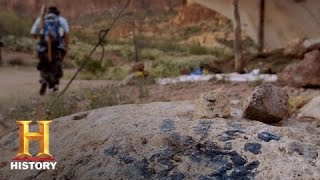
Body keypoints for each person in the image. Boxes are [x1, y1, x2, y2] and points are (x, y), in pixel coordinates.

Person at [30, 6, 70, 95]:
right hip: (57, 48)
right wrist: (66, 47)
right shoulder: (61, 20)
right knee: (56, 67)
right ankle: (55, 86)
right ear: (57, 13)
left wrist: (39, 38)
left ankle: (44, 80)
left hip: (42, 48)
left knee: (44, 66)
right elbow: (66, 34)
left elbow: (33, 33)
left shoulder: (41, 19)